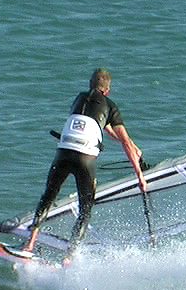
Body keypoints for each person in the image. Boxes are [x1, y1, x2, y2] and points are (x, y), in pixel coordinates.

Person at [20, 68, 147, 263]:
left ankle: (29, 245)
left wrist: (129, 143)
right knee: (85, 209)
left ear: (91, 85)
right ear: (108, 91)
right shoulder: (110, 106)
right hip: (85, 159)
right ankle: (68, 257)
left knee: (48, 196)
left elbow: (101, 126)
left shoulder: (79, 99)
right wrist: (140, 176)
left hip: (63, 153)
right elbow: (121, 139)